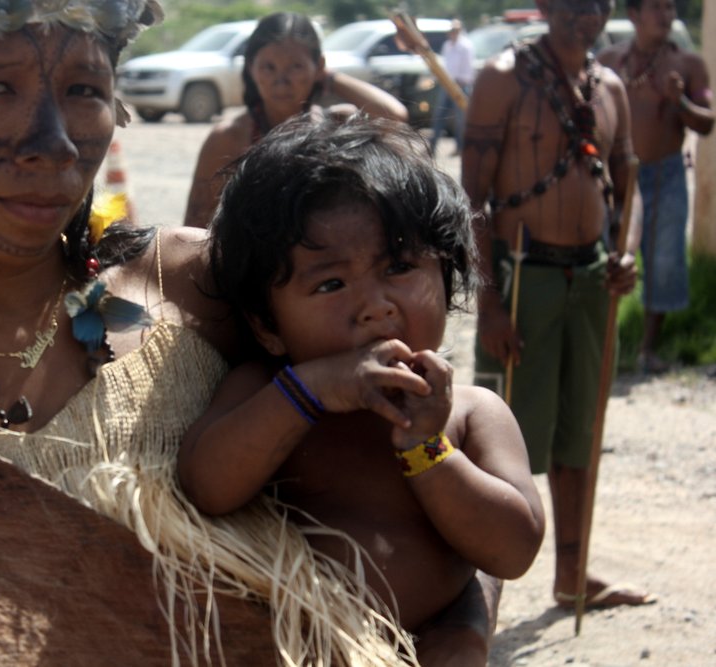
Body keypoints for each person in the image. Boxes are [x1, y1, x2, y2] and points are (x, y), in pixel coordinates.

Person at [0, 0, 496, 664]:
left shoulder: (202, 291)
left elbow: (424, 517)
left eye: (84, 88)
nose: (52, 142)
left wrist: (458, 637)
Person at [179, 113, 545, 666]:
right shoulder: (268, 392)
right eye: (331, 283)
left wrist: (426, 449)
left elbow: (513, 551)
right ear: (267, 327)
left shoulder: (471, 414)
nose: (376, 305)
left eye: (399, 266)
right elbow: (205, 486)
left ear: (445, 277)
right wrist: (310, 390)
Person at [463, 0, 653, 611]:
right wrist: (489, 303)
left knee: (582, 434)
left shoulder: (611, 87)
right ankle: (473, 592)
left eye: (597, 3)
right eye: (571, 2)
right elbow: (471, 197)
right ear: (545, 6)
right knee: (503, 440)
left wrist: (625, 253)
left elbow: (629, 187)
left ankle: (573, 579)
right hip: (523, 278)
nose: (585, 14)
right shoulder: (502, 78)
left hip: (593, 279)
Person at [183, 11, 408, 229]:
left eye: (296, 67)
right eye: (268, 68)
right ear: (251, 68)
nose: (281, 81)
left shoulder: (336, 125)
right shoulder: (229, 138)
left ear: (319, 66)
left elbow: (394, 116)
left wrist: (331, 78)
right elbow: (196, 221)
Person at [598, 0, 714, 374]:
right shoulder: (609, 61)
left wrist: (678, 101)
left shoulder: (688, 65)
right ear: (633, 15)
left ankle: (647, 348)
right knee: (604, 256)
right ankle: (601, 344)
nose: (667, 15)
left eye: (670, 8)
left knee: (664, 260)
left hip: (666, 175)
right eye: (657, 7)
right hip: (614, 177)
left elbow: (707, 122)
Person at [428, 18, 474, 156]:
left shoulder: (466, 46)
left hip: (460, 86)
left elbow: (468, 68)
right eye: (451, 30)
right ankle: (432, 146)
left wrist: (462, 81)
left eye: (455, 30)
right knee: (439, 116)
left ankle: (460, 147)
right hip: (447, 85)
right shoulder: (447, 45)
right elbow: (445, 65)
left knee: (460, 120)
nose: (452, 33)